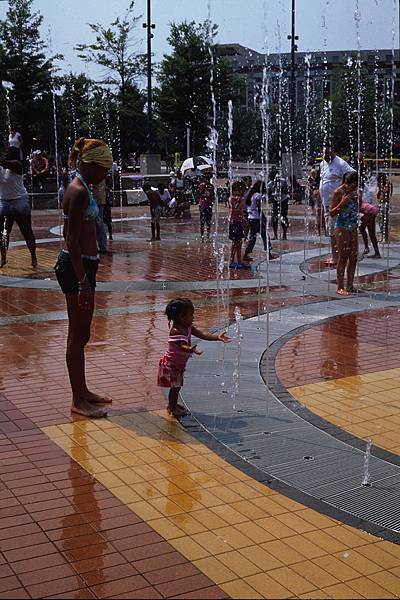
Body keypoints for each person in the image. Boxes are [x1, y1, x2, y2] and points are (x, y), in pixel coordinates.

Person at [54, 137, 113, 418]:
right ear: (91, 166)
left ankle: (83, 390)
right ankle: (78, 400)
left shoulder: (82, 185)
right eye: (104, 169)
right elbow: (71, 240)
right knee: (77, 336)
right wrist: (82, 281)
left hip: (84, 267)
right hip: (75, 269)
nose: (106, 175)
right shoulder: (77, 191)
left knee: (83, 334)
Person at [158, 298, 230, 417]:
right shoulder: (175, 331)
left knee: (177, 387)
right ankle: (172, 408)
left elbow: (203, 334)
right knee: (175, 387)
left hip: (177, 365)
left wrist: (217, 337)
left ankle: (173, 404)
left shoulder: (188, 327)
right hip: (170, 365)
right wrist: (191, 349)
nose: (193, 317)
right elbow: (181, 345)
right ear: (182, 316)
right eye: (191, 315)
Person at [0, 146, 37, 269]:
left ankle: (33, 256)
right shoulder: (2, 168)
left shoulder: (17, 165)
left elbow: (4, 162)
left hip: (19, 201)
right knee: (4, 233)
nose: (5, 153)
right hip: (4, 202)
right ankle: (3, 258)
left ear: (13, 154)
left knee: (26, 231)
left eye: (7, 151)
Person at [320, 146, 354, 265]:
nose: (325, 156)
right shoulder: (323, 163)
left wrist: (345, 193)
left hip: (336, 204)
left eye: (327, 153)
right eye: (323, 154)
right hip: (326, 203)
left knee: (335, 231)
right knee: (332, 230)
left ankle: (338, 257)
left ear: (333, 152)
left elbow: (353, 175)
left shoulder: (340, 163)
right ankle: (338, 255)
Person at [330, 171, 360, 296]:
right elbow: (331, 213)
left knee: (353, 256)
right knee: (343, 256)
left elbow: (357, 208)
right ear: (344, 182)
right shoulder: (338, 192)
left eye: (354, 186)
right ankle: (340, 286)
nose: (351, 188)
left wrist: (357, 200)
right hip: (341, 227)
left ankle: (350, 285)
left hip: (353, 226)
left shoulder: (356, 192)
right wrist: (342, 203)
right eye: (349, 185)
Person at [243, 180, 274, 261]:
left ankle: (246, 254)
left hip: (250, 218)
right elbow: (258, 208)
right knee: (265, 236)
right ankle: (268, 254)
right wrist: (263, 218)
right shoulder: (257, 196)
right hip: (257, 219)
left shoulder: (250, 195)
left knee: (252, 237)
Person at [229, 180, 249, 269]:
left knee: (239, 242)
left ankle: (239, 260)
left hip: (239, 222)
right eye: (242, 191)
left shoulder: (239, 199)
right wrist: (240, 201)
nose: (243, 193)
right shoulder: (232, 198)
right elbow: (236, 209)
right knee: (234, 242)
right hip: (234, 222)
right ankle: (231, 260)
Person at [268, 170, 289, 240]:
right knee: (274, 218)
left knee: (284, 216)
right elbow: (269, 195)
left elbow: (286, 191)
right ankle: (275, 235)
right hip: (275, 202)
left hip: (283, 200)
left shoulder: (283, 181)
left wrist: (281, 189)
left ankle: (284, 235)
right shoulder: (270, 184)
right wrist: (272, 196)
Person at [92, 179, 108, 254]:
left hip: (96, 200)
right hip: (98, 200)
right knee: (98, 224)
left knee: (98, 224)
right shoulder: (100, 173)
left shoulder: (96, 173)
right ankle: (101, 246)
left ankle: (101, 246)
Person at [198, 176, 215, 241]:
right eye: (206, 179)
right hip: (203, 205)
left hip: (209, 205)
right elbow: (199, 194)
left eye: (208, 179)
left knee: (208, 221)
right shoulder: (202, 185)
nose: (207, 180)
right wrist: (204, 193)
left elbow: (213, 195)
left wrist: (211, 198)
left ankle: (208, 236)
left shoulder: (211, 186)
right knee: (202, 221)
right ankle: (202, 236)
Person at [377, 173, 393, 243]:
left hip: (385, 204)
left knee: (385, 222)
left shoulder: (388, 183)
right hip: (381, 203)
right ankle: (383, 237)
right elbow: (379, 194)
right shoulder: (382, 184)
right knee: (380, 221)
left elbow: (386, 191)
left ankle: (385, 238)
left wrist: (380, 187)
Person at [103, 177, 113, 241]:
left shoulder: (106, 189)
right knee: (107, 221)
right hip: (105, 205)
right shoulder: (104, 188)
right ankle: (110, 235)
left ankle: (110, 235)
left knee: (108, 222)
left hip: (106, 205)